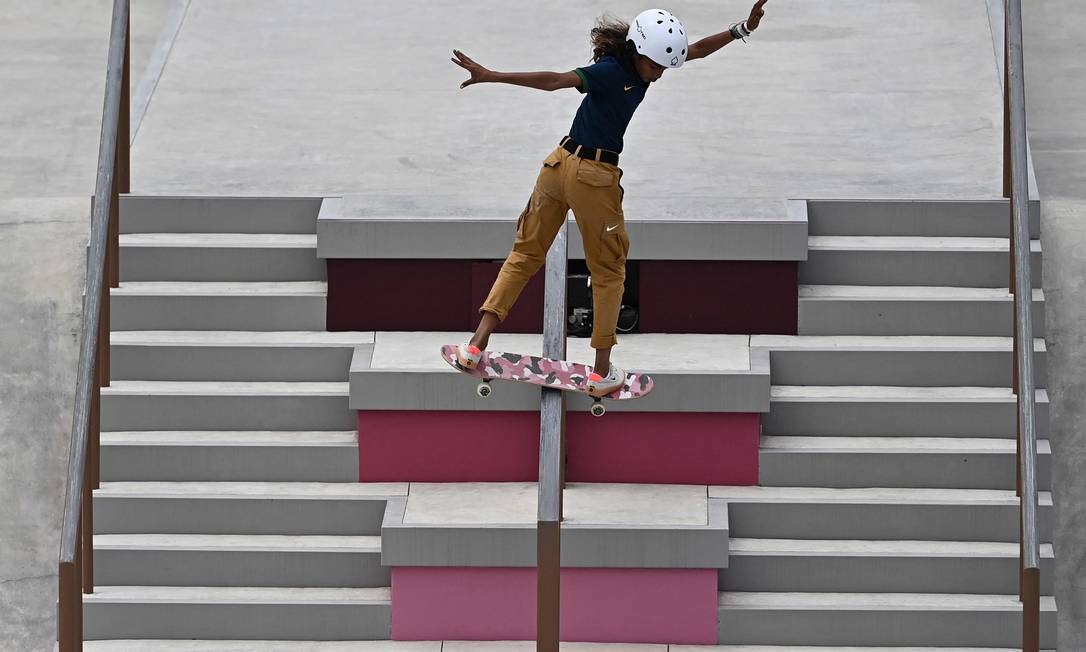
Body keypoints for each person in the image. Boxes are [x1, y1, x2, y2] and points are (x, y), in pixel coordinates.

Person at [451, 2, 769, 396]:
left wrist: (742, 29)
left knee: (525, 254)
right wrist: (493, 75)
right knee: (608, 271)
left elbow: (698, 50)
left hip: (557, 167)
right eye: (654, 66)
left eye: (664, 66)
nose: (659, 73)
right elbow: (556, 80)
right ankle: (601, 372)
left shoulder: (646, 60)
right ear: (636, 51)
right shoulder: (608, 72)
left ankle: (474, 347)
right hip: (592, 178)